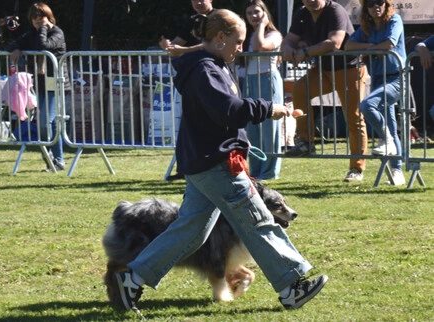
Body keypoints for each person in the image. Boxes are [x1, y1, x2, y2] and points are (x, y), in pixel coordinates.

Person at [113, 9, 328, 313]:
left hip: (206, 160)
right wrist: (269, 109)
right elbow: (227, 110)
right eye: (237, 41)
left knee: (190, 230)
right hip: (217, 161)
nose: (241, 48)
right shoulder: (205, 70)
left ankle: (132, 279)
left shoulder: (208, 64)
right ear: (220, 37)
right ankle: (291, 285)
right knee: (257, 221)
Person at [281, 0, 369, 182]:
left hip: (349, 69)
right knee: (299, 89)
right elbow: (288, 40)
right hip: (323, 69)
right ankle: (306, 142)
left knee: (353, 117)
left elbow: (335, 43)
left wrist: (305, 51)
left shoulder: (335, 11)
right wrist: (288, 49)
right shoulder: (302, 14)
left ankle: (356, 169)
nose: (312, 1)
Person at [345, 0, 406, 186]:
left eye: (379, 2)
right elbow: (348, 46)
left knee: (367, 105)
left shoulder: (394, 20)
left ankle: (387, 141)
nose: (375, 6)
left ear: (386, 4)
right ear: (366, 9)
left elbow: (389, 44)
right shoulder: (367, 28)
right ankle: (397, 172)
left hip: (396, 78)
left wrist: (367, 49)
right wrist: (371, 49)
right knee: (389, 125)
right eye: (371, 3)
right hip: (379, 79)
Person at [8, 2, 70, 171]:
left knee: (45, 123)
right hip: (41, 85)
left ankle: (51, 157)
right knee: (51, 124)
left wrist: (44, 28)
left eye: (40, 16)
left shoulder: (57, 33)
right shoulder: (31, 34)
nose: (37, 19)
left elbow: (44, 46)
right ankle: (57, 161)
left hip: (57, 85)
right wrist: (17, 49)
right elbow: (12, 44)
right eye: (34, 16)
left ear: (48, 17)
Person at [159, 0, 216, 181]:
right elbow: (176, 45)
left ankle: (208, 167)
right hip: (192, 77)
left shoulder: (219, 18)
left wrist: (183, 50)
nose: (198, 3)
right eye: (194, 0)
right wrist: (166, 46)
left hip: (211, 75)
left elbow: (212, 44)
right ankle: (185, 168)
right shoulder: (193, 20)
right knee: (188, 123)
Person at [242, 0, 284, 181]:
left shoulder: (274, 34)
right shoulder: (246, 35)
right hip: (250, 81)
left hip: (268, 79)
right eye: (249, 13)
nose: (253, 16)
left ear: (265, 13)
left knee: (269, 127)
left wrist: (262, 25)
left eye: (257, 12)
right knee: (252, 127)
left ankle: (269, 171)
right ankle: (256, 170)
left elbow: (260, 47)